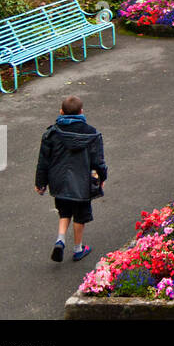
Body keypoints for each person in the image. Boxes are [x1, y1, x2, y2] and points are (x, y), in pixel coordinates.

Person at [36, 95, 107, 263]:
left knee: (64, 211)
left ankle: (60, 239)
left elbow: (43, 160)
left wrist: (40, 183)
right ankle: (78, 249)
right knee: (80, 216)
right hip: (82, 182)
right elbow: (98, 160)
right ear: (81, 112)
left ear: (61, 111)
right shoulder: (92, 133)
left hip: (58, 180)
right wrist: (102, 177)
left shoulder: (52, 133)